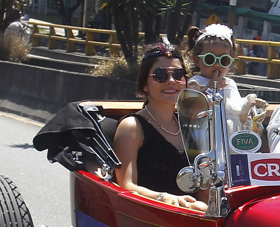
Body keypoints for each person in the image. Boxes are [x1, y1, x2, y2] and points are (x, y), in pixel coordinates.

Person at [112, 43, 207, 212]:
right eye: (160, 75)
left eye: (178, 74)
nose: (171, 81)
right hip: (149, 214)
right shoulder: (132, 127)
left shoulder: (190, 124)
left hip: (192, 215)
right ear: (145, 85)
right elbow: (126, 185)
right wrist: (167, 198)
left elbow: (202, 184)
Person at [182, 23, 265, 123]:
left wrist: (250, 105)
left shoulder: (230, 84)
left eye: (223, 60)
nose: (217, 64)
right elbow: (193, 113)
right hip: (208, 135)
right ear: (197, 60)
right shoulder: (196, 82)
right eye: (210, 59)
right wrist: (212, 89)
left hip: (230, 135)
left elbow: (239, 115)